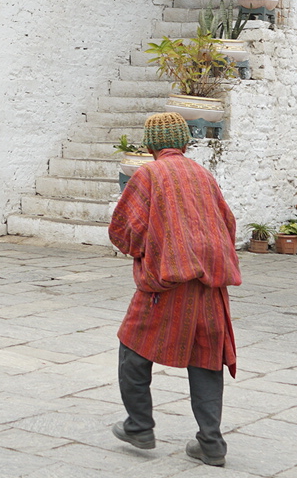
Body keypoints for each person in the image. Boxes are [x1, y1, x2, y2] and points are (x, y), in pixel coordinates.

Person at [108, 112, 240, 468]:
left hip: (167, 284)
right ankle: (211, 443)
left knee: (132, 348)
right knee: (206, 361)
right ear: (184, 142)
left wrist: (146, 250)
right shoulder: (204, 174)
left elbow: (123, 228)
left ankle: (139, 426)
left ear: (151, 146)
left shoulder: (148, 174)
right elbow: (228, 223)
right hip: (212, 284)